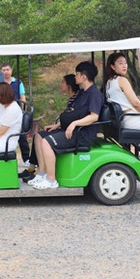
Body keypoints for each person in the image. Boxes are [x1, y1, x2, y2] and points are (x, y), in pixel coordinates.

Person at [30, 61, 104, 189]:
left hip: (82, 134)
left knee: (46, 142)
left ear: (84, 77)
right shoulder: (82, 93)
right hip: (72, 130)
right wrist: (58, 125)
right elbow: (73, 113)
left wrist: (74, 124)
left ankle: (51, 179)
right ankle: (42, 173)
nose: (74, 77)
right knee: (39, 136)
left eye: (77, 74)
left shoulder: (94, 94)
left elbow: (94, 116)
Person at [22, 74, 79, 176]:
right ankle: (32, 166)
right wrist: (56, 125)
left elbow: (73, 118)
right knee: (39, 134)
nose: (60, 84)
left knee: (43, 137)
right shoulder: (71, 99)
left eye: (62, 82)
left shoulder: (76, 99)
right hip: (63, 127)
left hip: (71, 132)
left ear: (69, 85)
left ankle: (41, 170)